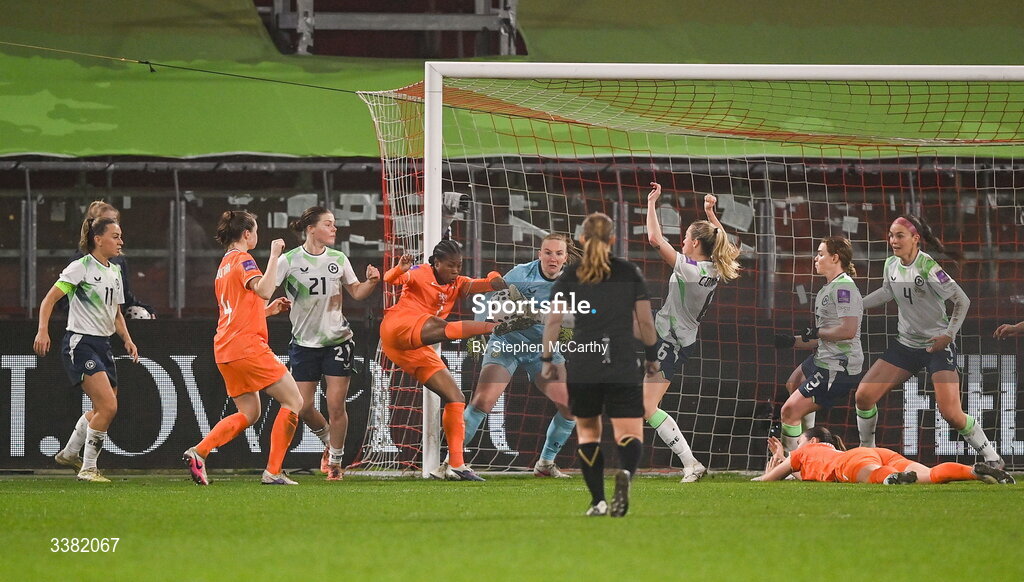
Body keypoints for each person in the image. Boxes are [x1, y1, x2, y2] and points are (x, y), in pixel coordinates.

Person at [852, 215, 1003, 468]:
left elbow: (962, 301)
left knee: (951, 414)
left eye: (899, 235)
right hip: (905, 346)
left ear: (915, 239)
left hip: (936, 347)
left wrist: (948, 335)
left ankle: (992, 457)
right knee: (864, 396)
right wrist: (856, 305)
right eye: (890, 235)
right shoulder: (891, 264)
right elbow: (888, 291)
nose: (893, 240)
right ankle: (867, 453)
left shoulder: (928, 267)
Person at [381, 240, 534, 482]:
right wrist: (400, 269)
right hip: (398, 327)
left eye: (459, 265)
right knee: (442, 327)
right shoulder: (420, 272)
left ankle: (457, 464)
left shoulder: (459, 283)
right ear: (436, 262)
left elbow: (489, 284)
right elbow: (390, 279)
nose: (455, 270)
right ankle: (496, 327)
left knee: (456, 398)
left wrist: (497, 278)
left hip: (416, 347)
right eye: (450, 265)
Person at [541, 212, 661, 517]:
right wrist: (651, 357)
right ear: (612, 240)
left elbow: (553, 320)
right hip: (621, 359)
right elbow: (645, 323)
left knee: (588, 433)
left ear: (581, 240)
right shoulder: (628, 272)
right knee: (628, 433)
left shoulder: (572, 275)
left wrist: (546, 359)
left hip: (584, 361)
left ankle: (598, 501)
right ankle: (626, 475)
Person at [182, 211, 303, 486]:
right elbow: (263, 289)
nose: (257, 236)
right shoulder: (243, 259)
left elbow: (240, 307)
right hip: (247, 346)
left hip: (225, 349)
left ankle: (199, 452)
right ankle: (273, 472)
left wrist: (267, 312)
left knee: (250, 413)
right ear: (246, 234)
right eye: (255, 230)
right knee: (294, 401)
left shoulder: (223, 266)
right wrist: (274, 256)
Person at [645, 182, 741, 482]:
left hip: (670, 341)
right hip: (668, 331)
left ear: (696, 243)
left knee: (647, 406)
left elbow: (653, 238)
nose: (682, 241)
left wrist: (652, 203)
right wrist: (711, 213)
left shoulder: (689, 269)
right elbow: (726, 244)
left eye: (686, 237)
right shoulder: (714, 267)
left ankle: (691, 463)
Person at [276, 206, 380, 481]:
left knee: (336, 406)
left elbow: (356, 292)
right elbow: (263, 292)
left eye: (334, 224)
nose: (334, 229)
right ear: (311, 229)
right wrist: (269, 307)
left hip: (337, 341)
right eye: (328, 224)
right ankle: (327, 441)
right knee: (303, 406)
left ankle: (335, 461)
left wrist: (371, 282)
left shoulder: (338, 258)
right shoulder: (288, 261)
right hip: (303, 344)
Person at [33, 214, 139, 482]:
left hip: (103, 345)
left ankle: (69, 453)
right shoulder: (80, 267)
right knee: (108, 407)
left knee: (102, 408)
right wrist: (43, 330)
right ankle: (88, 468)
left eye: (120, 236)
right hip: (81, 343)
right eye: (115, 236)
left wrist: (127, 339)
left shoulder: (114, 271)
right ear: (98, 239)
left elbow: (116, 313)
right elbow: (49, 299)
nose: (120, 241)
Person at [464, 234, 580, 478]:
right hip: (507, 343)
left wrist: (557, 321)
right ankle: (452, 461)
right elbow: (488, 296)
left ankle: (546, 464)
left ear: (565, 258)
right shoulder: (520, 274)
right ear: (540, 254)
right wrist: (477, 330)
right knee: (483, 401)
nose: (553, 258)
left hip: (542, 350)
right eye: (548, 252)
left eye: (558, 254)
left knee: (569, 406)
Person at [773, 237, 864, 453]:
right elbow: (823, 337)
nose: (816, 257)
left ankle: (790, 466)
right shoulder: (827, 289)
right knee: (793, 384)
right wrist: (792, 342)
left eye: (821, 253)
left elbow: (848, 330)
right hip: (823, 359)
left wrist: (816, 332)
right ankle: (808, 450)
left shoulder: (844, 290)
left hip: (838, 367)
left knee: (789, 412)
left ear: (835, 258)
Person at [755, 426, 1014, 485]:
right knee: (931, 475)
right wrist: (779, 458)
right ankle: (972, 471)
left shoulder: (804, 453)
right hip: (876, 452)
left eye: (798, 442)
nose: (795, 446)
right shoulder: (826, 453)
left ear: (812, 441)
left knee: (873, 476)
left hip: (854, 462)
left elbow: (765, 483)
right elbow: (799, 476)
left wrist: (778, 460)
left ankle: (893, 479)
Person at [58, 201, 155, 318]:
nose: (113, 224)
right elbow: (62, 300)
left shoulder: (119, 261)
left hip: (112, 323)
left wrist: (147, 310)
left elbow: (124, 296)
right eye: (107, 221)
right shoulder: (80, 262)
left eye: (115, 220)